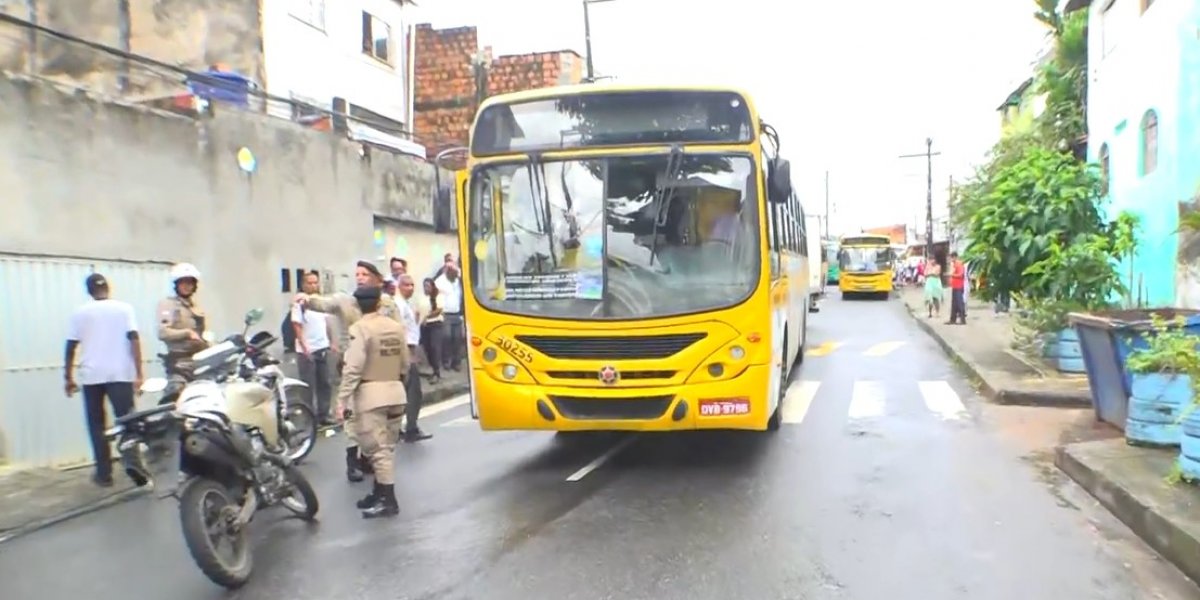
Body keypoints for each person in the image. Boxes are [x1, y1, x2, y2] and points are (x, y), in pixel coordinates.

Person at [295, 260, 403, 483]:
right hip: (352, 362)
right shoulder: (347, 301)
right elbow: (325, 303)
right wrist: (307, 299)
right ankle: (352, 460)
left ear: (376, 279)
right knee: (351, 414)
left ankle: (370, 458)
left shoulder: (387, 305)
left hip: (379, 366)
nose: (360, 277)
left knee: (376, 417)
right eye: (357, 274)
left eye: (365, 274)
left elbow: (397, 333)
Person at [336, 284, 408, 519]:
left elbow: (353, 367)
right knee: (387, 447)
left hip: (370, 396)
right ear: (379, 303)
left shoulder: (360, 329)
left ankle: (389, 500)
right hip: (396, 391)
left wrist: (342, 398)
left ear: (357, 305)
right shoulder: (396, 328)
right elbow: (406, 363)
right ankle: (378, 493)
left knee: (377, 452)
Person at [64, 273, 144, 487]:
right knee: (128, 421)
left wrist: (68, 377)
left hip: (92, 376)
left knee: (97, 425)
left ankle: (104, 474)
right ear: (108, 288)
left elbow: (71, 346)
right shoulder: (124, 309)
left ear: (89, 291)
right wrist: (139, 373)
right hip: (120, 374)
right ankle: (133, 463)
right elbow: (134, 339)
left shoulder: (79, 313)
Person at [292, 270, 337, 425]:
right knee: (308, 386)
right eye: (309, 283)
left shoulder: (320, 302)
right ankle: (309, 418)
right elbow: (296, 325)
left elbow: (326, 324)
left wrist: (331, 341)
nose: (313, 285)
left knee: (325, 383)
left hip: (322, 347)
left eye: (315, 282)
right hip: (308, 350)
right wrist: (304, 347)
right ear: (303, 285)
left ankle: (323, 414)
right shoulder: (300, 303)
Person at [157, 263, 208, 390]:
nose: (187, 286)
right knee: (176, 396)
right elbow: (163, 332)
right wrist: (187, 333)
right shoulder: (168, 305)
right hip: (178, 363)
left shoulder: (196, 307)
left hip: (199, 362)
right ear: (176, 284)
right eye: (183, 282)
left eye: (190, 282)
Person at [396, 274, 432, 442]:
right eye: (407, 285)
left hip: (409, 351)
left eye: (412, 285)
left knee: (406, 392)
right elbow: (401, 330)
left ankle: (402, 428)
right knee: (413, 393)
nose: (410, 288)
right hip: (405, 353)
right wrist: (408, 354)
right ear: (400, 286)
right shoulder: (399, 305)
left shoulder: (406, 304)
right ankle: (411, 428)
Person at [948, 252, 967, 325]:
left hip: (959, 286)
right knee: (954, 304)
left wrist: (952, 275)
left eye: (952, 257)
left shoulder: (959, 264)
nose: (951, 259)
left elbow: (961, 275)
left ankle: (963, 320)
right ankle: (953, 319)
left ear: (955, 257)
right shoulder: (954, 265)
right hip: (955, 286)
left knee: (960, 303)